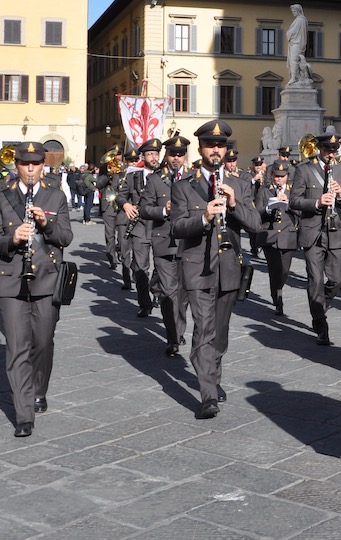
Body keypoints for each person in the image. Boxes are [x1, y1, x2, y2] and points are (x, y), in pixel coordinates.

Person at [169, 120, 261, 419]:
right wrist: (205, 218)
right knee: (204, 330)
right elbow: (177, 227)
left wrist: (234, 205)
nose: (216, 150)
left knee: (220, 333)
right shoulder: (185, 184)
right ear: (201, 148)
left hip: (229, 267)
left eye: (221, 145)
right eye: (210, 145)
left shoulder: (240, 183)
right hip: (197, 268)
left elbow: (256, 224)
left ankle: (212, 375)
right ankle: (207, 394)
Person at [0, 142, 73, 437]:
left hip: (47, 279)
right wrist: (12, 237)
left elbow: (66, 237)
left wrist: (46, 224)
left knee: (43, 342)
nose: (31, 169)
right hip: (11, 279)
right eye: (26, 164)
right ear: (17, 166)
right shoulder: (1, 197)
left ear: (43, 165)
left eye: (36, 163)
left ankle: (39, 388)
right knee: (17, 346)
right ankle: (24, 414)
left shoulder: (55, 196)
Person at [289, 132, 341, 345]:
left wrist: (340, 194)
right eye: (327, 150)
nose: (331, 154)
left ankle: (321, 306)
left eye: (334, 150)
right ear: (320, 149)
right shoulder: (304, 170)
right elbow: (294, 201)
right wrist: (317, 203)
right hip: (313, 232)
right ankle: (320, 323)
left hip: (336, 231)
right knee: (315, 280)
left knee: (337, 280)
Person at [140, 135, 191, 356]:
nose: (176, 159)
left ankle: (178, 328)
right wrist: (163, 211)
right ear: (166, 156)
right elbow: (144, 209)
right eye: (173, 155)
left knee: (184, 294)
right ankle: (173, 336)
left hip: (189, 243)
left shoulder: (193, 178)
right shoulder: (154, 180)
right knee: (170, 293)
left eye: (180, 155)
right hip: (164, 243)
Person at [255, 160, 300, 316]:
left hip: (288, 234)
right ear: (272, 175)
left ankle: (278, 288)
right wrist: (268, 208)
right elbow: (256, 212)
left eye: (282, 176)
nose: (279, 179)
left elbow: (301, 211)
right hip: (270, 235)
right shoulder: (264, 190)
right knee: (274, 269)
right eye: (276, 176)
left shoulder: (293, 190)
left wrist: (289, 204)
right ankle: (277, 298)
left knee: (285, 271)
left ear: (287, 176)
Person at [118, 142, 157, 316]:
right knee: (141, 268)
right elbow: (120, 196)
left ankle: (157, 290)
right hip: (140, 227)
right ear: (143, 157)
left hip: (160, 227)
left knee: (163, 267)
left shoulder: (165, 176)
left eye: (156, 154)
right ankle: (145, 303)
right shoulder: (133, 177)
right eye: (149, 154)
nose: (153, 158)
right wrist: (125, 204)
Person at [286, 4, 308, 86]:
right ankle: (298, 78)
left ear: (298, 11)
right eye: (292, 11)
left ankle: (294, 78)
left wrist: (288, 33)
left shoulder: (301, 20)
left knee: (294, 60)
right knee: (295, 61)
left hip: (297, 43)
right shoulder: (299, 20)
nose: (293, 13)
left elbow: (293, 31)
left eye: (294, 11)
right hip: (295, 43)